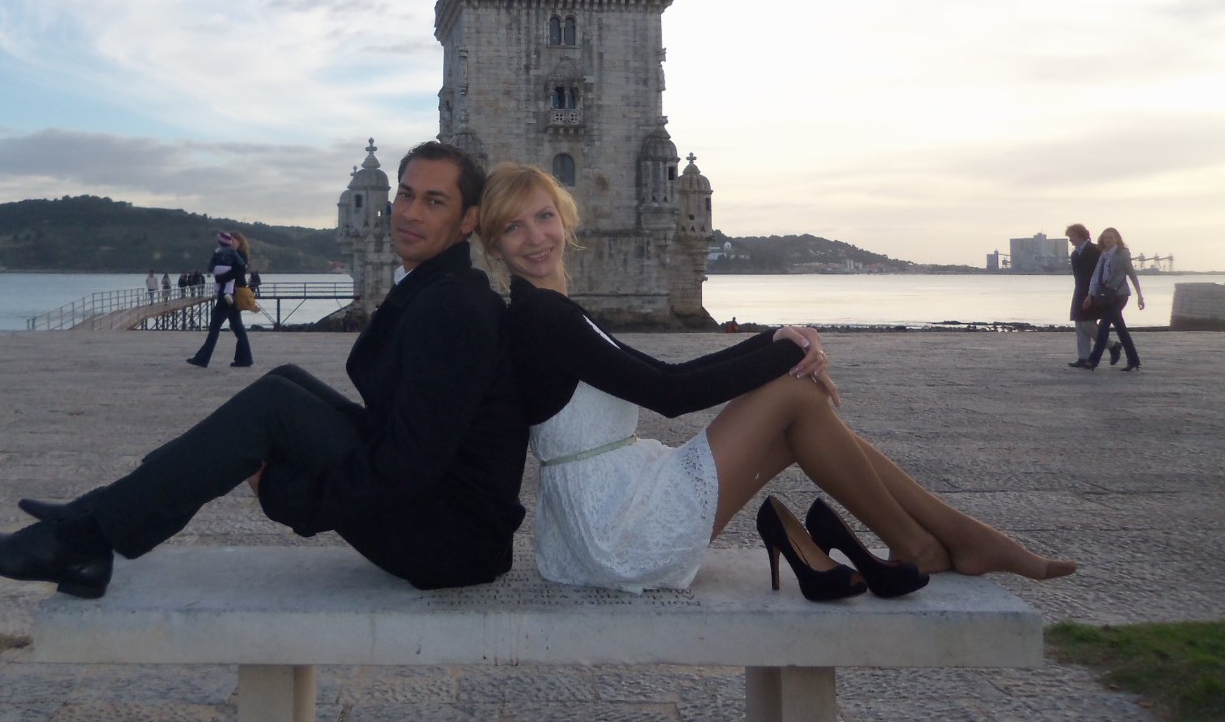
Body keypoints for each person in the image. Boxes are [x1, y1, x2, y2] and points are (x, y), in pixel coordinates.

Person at [0, 141, 528, 596]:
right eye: (405, 195)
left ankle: (81, 540)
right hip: (445, 519)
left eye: (434, 202)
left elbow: (409, 463)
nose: (410, 212)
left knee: (275, 405)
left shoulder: (453, 307)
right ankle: (97, 513)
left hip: (451, 543)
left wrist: (285, 493)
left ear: (468, 220)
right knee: (284, 382)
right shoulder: (440, 288)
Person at [477, 163, 1076, 600]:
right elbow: (670, 394)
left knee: (800, 414)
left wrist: (773, 341)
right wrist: (786, 352)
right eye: (513, 228)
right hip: (614, 530)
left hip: (604, 512)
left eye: (544, 216)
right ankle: (933, 541)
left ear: (565, 218)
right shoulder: (541, 315)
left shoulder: (552, 310)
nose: (536, 238)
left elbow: (664, 374)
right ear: (494, 246)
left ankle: (946, 536)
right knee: (794, 393)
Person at [186, 231, 253, 368]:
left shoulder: (240, 254)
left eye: (234, 240)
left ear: (240, 241)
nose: (231, 242)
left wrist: (220, 278)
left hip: (230, 294)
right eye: (230, 240)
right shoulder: (229, 254)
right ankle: (245, 359)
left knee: (215, 326)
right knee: (237, 327)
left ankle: (203, 358)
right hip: (230, 294)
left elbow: (237, 272)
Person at [1082, 227, 1144, 372]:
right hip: (1106, 296)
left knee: (1103, 326)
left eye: (1110, 237)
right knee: (1121, 330)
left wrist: (1140, 296)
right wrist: (1090, 295)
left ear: (1117, 239)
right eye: (1105, 238)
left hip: (1119, 295)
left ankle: (1093, 361)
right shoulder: (1104, 254)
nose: (1107, 240)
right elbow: (1096, 276)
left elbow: (1132, 274)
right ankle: (1133, 360)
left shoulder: (1122, 253)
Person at [1065, 224, 1107, 369]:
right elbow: (1078, 277)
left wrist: (1095, 292)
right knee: (1079, 325)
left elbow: (1101, 273)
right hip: (1079, 291)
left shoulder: (1096, 250)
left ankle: (1112, 345)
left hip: (1093, 291)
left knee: (1088, 324)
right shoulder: (1075, 254)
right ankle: (1083, 357)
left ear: (1080, 235)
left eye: (1072, 236)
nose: (1070, 239)